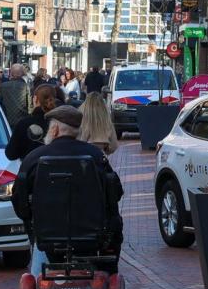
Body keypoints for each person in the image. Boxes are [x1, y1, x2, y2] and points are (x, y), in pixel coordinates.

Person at [10, 105, 125, 273]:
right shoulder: (95, 155)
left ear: (55, 129)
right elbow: (116, 192)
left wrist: (33, 220)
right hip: (91, 238)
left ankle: (38, 284)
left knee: (36, 278)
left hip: (47, 238)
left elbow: (19, 200)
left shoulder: (34, 158)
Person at [5, 84, 56, 161]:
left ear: (35, 99)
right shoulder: (60, 123)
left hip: (30, 170)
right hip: (56, 170)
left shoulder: (24, 123)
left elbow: (11, 154)